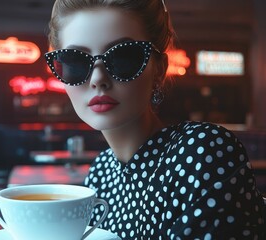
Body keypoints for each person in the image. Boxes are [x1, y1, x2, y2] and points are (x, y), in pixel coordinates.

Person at [44, 0, 265, 239]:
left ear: (159, 69)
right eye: (75, 62)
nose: (98, 79)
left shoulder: (203, 151)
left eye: (124, 57)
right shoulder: (100, 172)